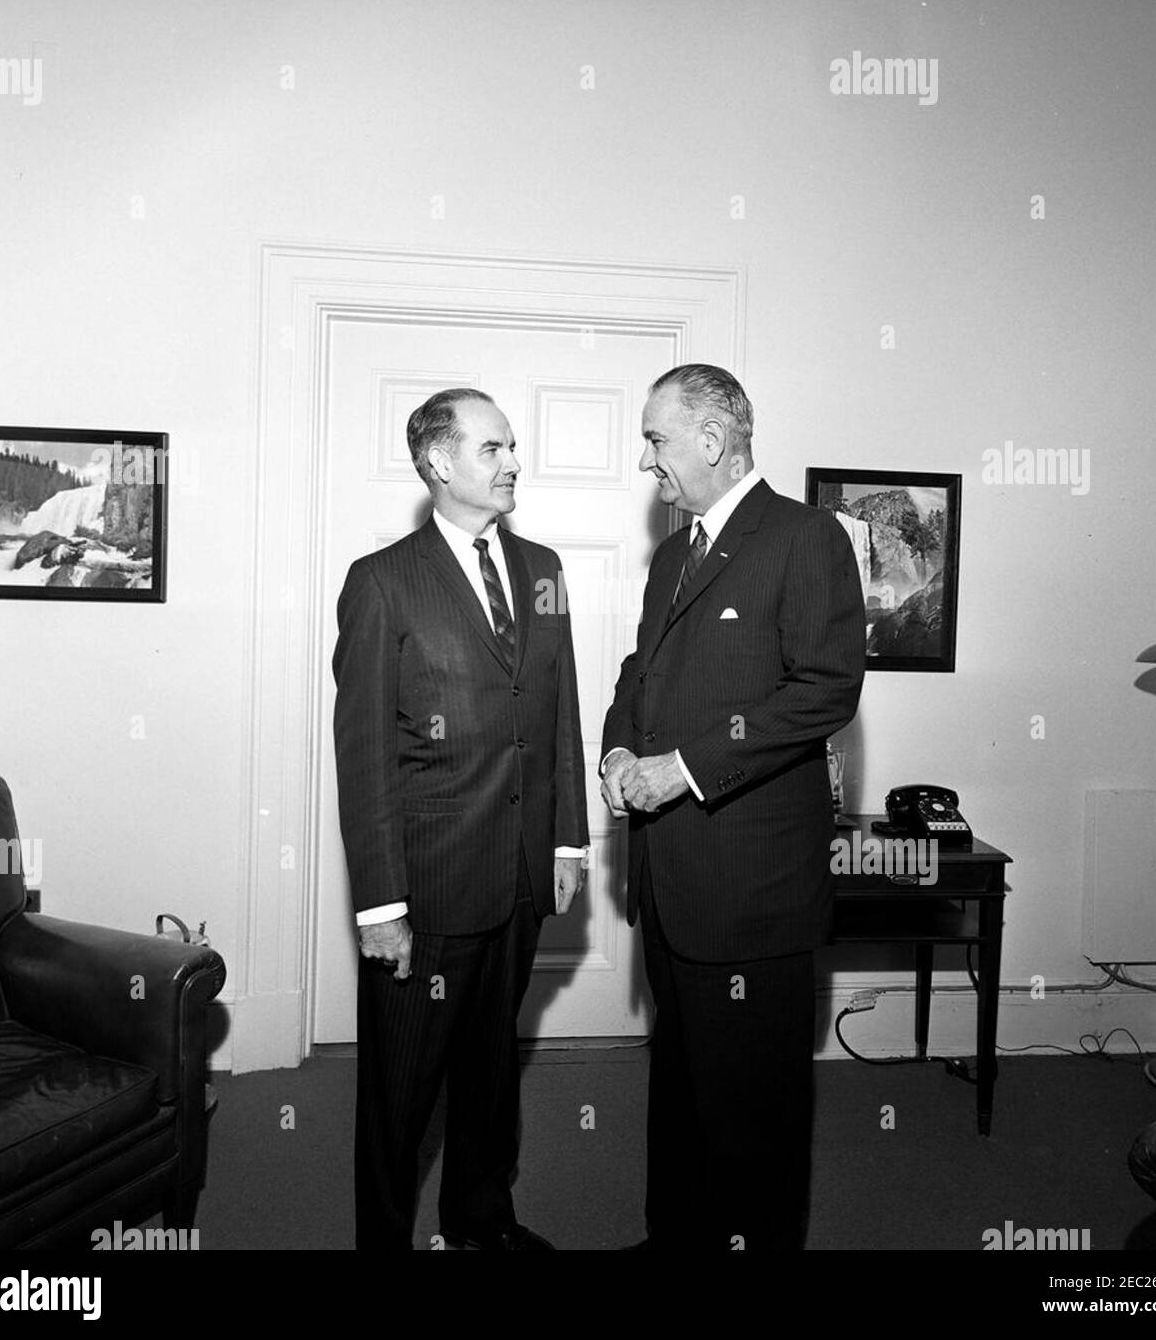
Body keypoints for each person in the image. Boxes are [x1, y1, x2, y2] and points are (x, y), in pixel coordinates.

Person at [600, 364, 866, 1250]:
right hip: (669, 882)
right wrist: (616, 748)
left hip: (752, 893)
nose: (646, 461)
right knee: (678, 1087)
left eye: (655, 439)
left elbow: (825, 692)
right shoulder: (675, 553)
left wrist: (684, 767)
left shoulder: (806, 538)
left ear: (711, 441)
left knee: (753, 1116)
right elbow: (640, 676)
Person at [333, 387, 589, 1251]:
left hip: (517, 877)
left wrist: (566, 836)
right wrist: (379, 905)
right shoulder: (382, 584)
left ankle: (480, 1224)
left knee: (491, 1075)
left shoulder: (545, 570)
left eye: (512, 446)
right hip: (428, 889)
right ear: (440, 464)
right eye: (492, 449)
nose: (512, 462)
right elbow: (362, 754)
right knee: (401, 1094)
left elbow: (558, 711)